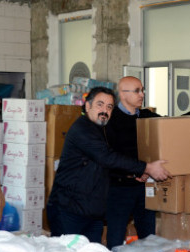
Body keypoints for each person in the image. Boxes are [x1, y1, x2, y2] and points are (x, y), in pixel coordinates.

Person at [46, 86, 170, 244]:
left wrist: (135, 173)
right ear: (87, 106)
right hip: (69, 211)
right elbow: (107, 157)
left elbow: (109, 164)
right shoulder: (82, 130)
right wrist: (147, 167)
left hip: (92, 213)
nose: (104, 110)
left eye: (109, 107)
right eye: (100, 104)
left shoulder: (100, 130)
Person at [104, 76, 190, 249]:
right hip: (119, 188)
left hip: (145, 185)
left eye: (142, 90)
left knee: (149, 237)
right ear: (122, 94)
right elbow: (109, 157)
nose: (141, 94)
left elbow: (169, 124)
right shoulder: (110, 121)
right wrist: (135, 172)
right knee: (116, 237)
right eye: (136, 91)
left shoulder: (147, 116)